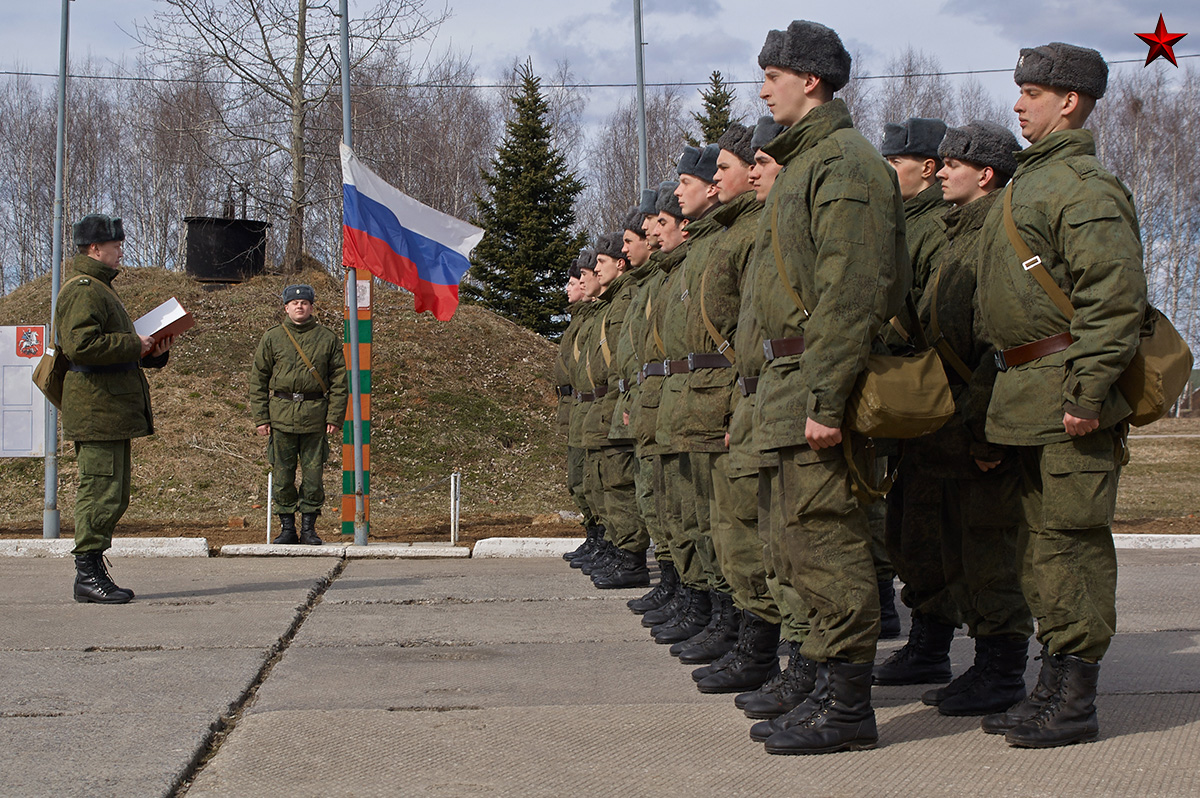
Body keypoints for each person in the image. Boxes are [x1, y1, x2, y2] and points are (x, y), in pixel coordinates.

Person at [974, 42, 1146, 749]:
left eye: (1031, 93)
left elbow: (1114, 300)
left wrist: (1088, 391)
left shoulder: (1084, 187)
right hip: (1024, 397)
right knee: (1041, 549)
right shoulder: (1027, 185)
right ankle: (1052, 683)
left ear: (1069, 101)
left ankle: (1074, 699)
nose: (1018, 103)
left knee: (1070, 546)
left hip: (1066, 397)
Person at [747, 20, 910, 755]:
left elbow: (850, 293)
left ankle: (847, 709)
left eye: (771, 75)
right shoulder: (810, 165)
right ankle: (818, 684)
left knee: (831, 547)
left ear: (809, 79)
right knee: (796, 547)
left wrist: (826, 399)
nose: (762, 88)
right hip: (787, 385)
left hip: (815, 385)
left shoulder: (844, 164)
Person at [910, 120, 1034, 717]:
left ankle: (1004, 671)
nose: (940, 173)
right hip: (954, 418)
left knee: (990, 549)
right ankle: (985, 664)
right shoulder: (959, 235)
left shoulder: (993, 236)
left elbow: (998, 342)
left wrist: (983, 428)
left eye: (952, 165)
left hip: (981, 416)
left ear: (984, 173)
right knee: (962, 546)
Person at [56, 213, 174, 604]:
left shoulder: (101, 289)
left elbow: (114, 348)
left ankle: (92, 569)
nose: (121, 251)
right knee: (100, 491)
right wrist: (133, 345)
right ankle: (86, 575)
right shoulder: (85, 289)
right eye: (115, 246)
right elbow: (81, 346)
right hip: (96, 409)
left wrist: (153, 351)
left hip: (108, 409)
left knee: (114, 493)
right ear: (95, 249)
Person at [249, 284, 349, 546]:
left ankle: (309, 528)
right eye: (294, 303)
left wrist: (334, 417)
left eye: (304, 302)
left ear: (312, 307)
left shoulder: (327, 338)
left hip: (315, 417)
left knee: (313, 477)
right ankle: (287, 528)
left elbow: (340, 380)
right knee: (282, 476)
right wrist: (261, 417)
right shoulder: (272, 338)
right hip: (281, 417)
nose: (299, 306)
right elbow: (258, 379)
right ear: (286, 307)